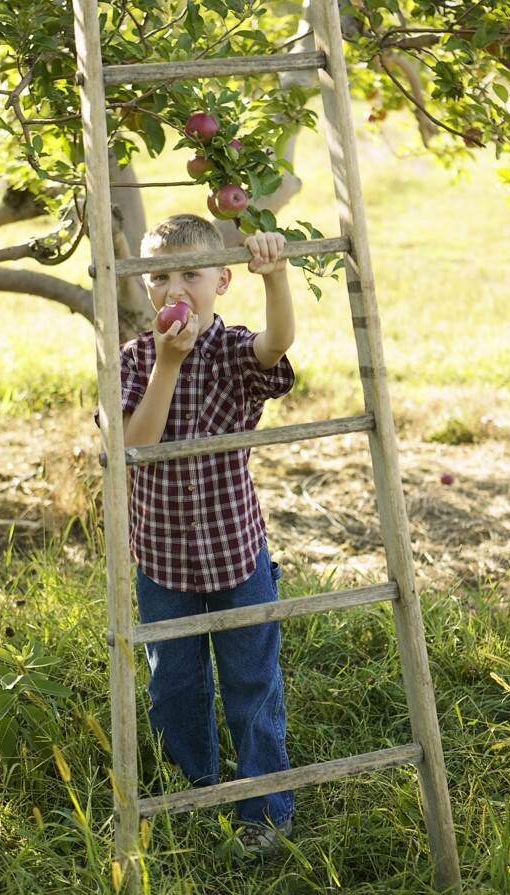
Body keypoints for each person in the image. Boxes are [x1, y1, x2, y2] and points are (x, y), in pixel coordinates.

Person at [120, 213, 295, 859]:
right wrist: (169, 362)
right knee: (175, 687)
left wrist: (275, 276)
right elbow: (137, 448)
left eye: (190, 274)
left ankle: (265, 813)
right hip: (162, 562)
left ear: (222, 280)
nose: (173, 288)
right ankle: (193, 800)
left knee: (252, 683)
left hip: (235, 553)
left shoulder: (231, 350)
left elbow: (277, 344)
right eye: (158, 276)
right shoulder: (135, 359)